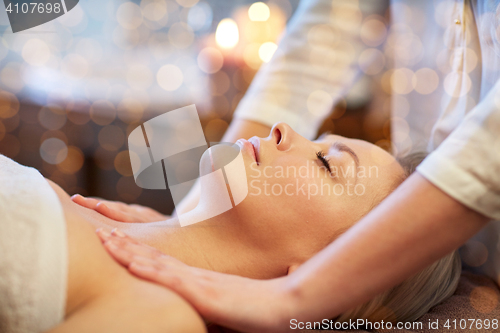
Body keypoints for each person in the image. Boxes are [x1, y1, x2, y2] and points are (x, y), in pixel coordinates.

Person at [72, 0, 499, 332]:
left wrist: (292, 301)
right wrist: (189, 217)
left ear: (325, 268)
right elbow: (327, 31)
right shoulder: (98, 228)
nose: (284, 130)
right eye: (319, 142)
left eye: (326, 164)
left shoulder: (156, 313)